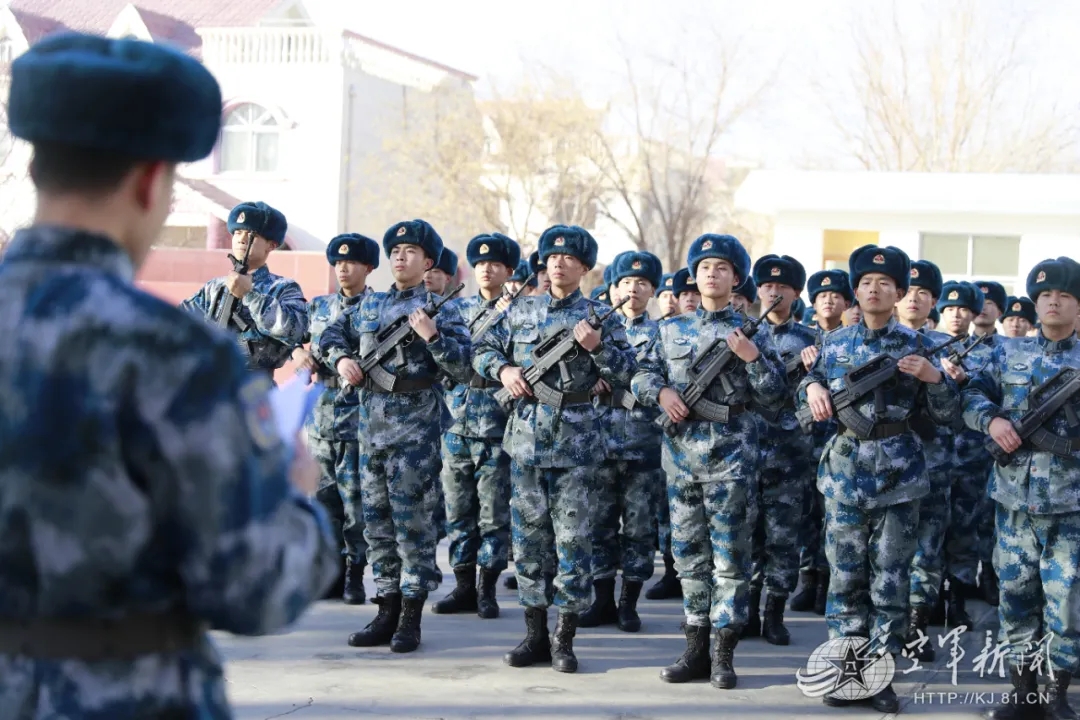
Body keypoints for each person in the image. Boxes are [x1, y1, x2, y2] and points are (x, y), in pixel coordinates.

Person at [0, 32, 337, 717]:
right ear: (151, 180)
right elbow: (256, 587)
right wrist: (297, 496)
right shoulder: (169, 352)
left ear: (37, 169)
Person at [797, 245, 959, 714]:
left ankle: (878, 674)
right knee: (845, 579)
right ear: (856, 290)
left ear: (900, 293)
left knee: (890, 581)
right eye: (866, 281)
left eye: (884, 283)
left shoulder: (919, 345)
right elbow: (800, 399)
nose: (874, 288)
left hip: (900, 476)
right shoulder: (834, 345)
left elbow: (947, 416)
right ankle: (847, 672)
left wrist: (934, 379)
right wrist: (809, 386)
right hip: (845, 471)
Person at [474, 224, 636, 674]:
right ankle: (534, 635)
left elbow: (626, 372)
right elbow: (482, 347)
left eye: (569, 258)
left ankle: (564, 638)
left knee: (572, 545)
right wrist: (504, 369)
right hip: (525, 440)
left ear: (584, 267)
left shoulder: (602, 317)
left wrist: (597, 348)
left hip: (578, 445)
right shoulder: (519, 310)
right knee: (527, 545)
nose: (559, 263)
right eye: (552, 257)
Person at [633, 234, 786, 690]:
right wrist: (660, 392)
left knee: (731, 561)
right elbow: (641, 372)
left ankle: (724, 652)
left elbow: (775, 397)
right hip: (680, 459)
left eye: (722, 267)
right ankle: (695, 646)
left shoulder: (749, 332)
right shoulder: (671, 329)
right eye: (704, 267)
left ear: (736, 278)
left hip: (732, 462)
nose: (711, 274)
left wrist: (753, 359)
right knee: (688, 559)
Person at [320, 219, 471, 653]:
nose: (401, 257)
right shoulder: (370, 306)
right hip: (371, 434)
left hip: (415, 439)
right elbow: (330, 333)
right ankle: (384, 609)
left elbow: (463, 368)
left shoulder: (443, 307)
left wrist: (433, 337)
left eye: (411, 251)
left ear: (429, 262)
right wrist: (342, 357)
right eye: (396, 250)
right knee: (378, 528)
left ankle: (410, 617)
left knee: (414, 528)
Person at [962, 257, 1080, 720]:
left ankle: (1059, 693)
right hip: (1013, 500)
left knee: (1066, 599)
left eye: (1065, 296)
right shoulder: (1006, 352)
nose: (1054, 302)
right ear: (1035, 302)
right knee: (1016, 595)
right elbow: (971, 394)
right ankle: (1023, 690)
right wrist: (990, 421)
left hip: (1071, 503)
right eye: (1047, 295)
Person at [432, 233, 521, 619]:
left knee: (493, 513)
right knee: (457, 510)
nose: (487, 269)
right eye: (481, 263)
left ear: (508, 271)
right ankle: (463, 585)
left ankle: (488, 588)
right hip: (455, 422)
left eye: (495, 264)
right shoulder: (456, 309)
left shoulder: (518, 313)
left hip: (497, 424)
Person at [580, 251, 664, 633]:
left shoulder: (663, 334)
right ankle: (601, 600)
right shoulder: (591, 328)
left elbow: (660, 379)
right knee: (598, 523)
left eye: (642, 283)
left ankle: (628, 602)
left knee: (639, 526)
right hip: (596, 436)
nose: (633, 289)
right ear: (612, 287)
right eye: (626, 282)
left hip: (642, 441)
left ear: (653, 291)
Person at [294, 233, 379, 604]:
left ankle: (355, 574)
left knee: (356, 502)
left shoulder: (379, 308)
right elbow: (287, 339)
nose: (343, 268)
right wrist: (298, 354)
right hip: (322, 414)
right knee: (323, 498)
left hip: (361, 413)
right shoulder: (318, 307)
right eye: (338, 262)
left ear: (368, 267)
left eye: (352, 262)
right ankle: (328, 572)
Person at [746, 254, 818, 646]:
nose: (775, 292)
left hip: (789, 454)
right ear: (758, 290)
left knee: (783, 538)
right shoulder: (741, 335)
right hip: (743, 452)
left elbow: (821, 398)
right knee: (746, 535)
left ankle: (774, 612)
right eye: (768, 286)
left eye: (784, 287)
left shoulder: (811, 341)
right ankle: (746, 609)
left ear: (795, 293)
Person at [893, 260, 953, 658]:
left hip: (932, 464)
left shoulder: (945, 349)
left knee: (927, 547)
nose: (915, 298)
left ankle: (917, 625)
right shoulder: (874, 341)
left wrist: (943, 379)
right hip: (886, 467)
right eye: (910, 291)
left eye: (924, 293)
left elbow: (957, 411)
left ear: (933, 302)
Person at [181, 200, 308, 378]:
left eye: (251, 235)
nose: (242, 239)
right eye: (237, 232)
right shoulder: (214, 288)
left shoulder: (283, 288)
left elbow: (296, 330)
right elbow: (181, 320)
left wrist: (250, 296)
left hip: (255, 386)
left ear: (271, 245)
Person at [790, 269, 852, 615]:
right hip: (801, 439)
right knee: (806, 513)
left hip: (838, 438)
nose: (828, 300)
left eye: (836, 296)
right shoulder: (799, 339)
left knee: (834, 515)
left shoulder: (851, 340)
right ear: (812, 303)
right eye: (822, 296)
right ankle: (807, 578)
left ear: (846, 302)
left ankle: (827, 580)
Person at [937, 280, 997, 619]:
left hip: (972, 455)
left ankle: (957, 597)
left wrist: (964, 381)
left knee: (965, 528)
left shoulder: (991, 353)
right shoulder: (925, 345)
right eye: (949, 308)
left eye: (963, 309)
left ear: (974, 313)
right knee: (931, 531)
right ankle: (928, 600)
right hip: (932, 453)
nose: (956, 314)